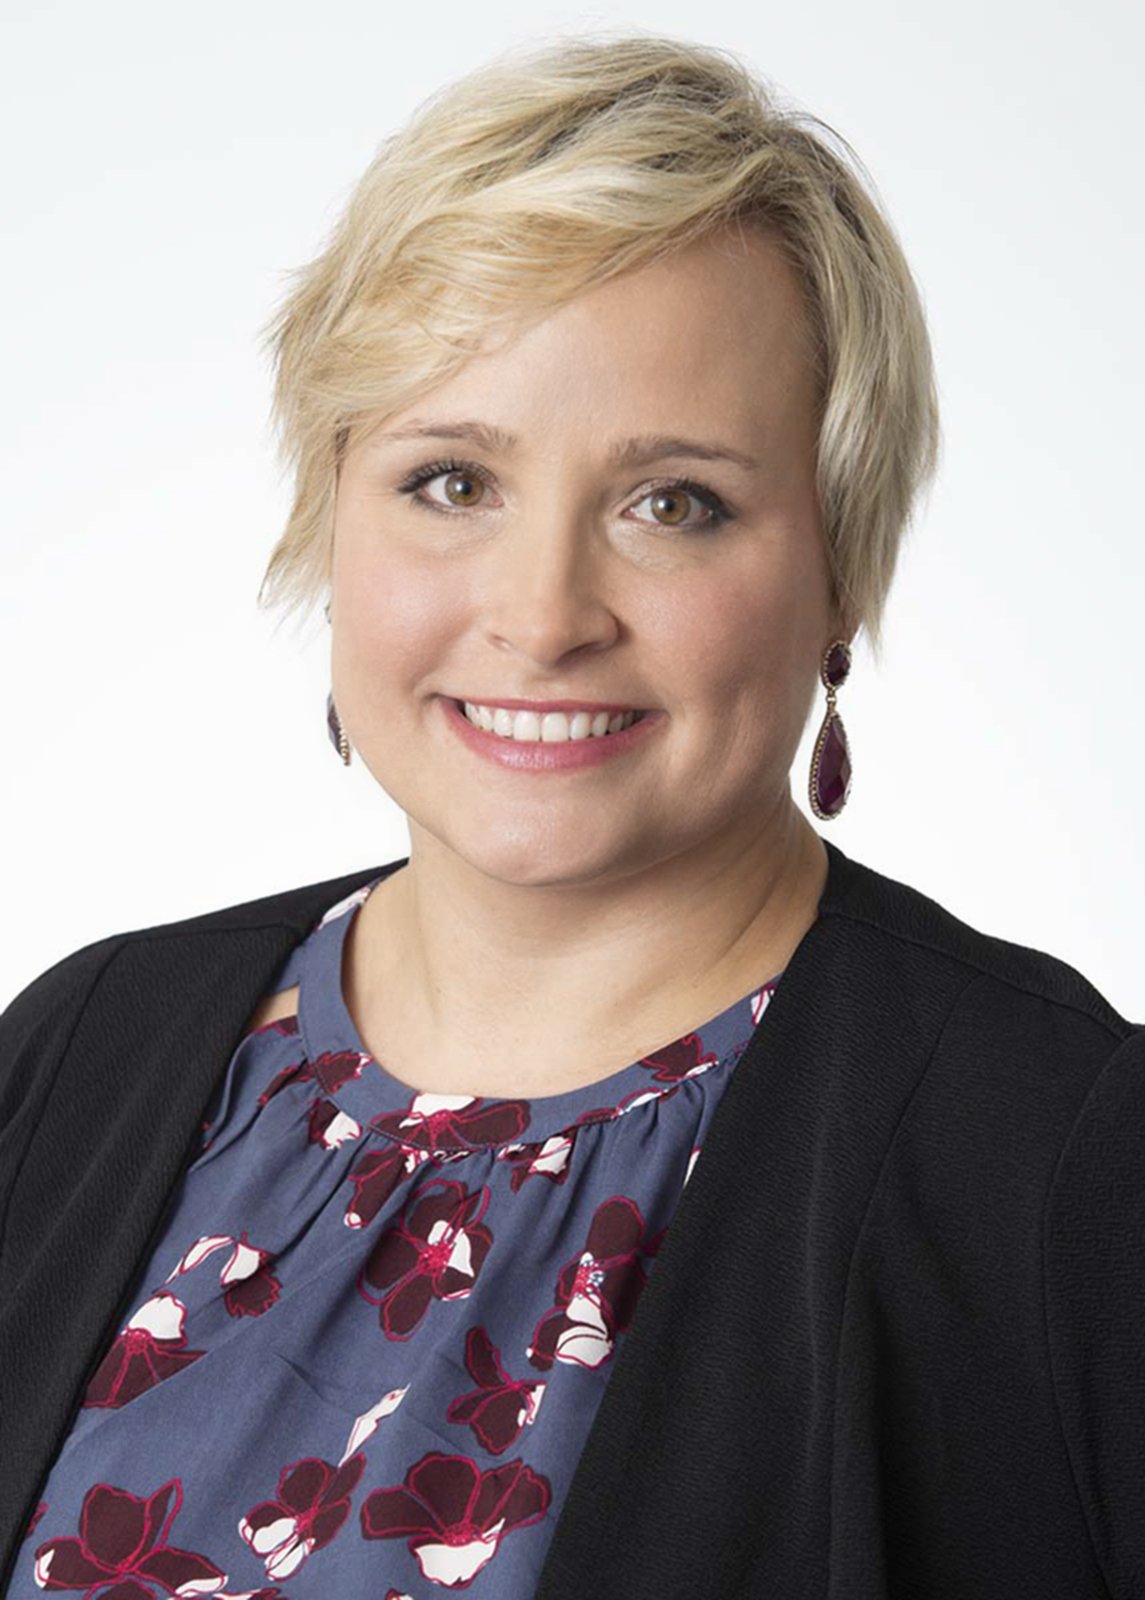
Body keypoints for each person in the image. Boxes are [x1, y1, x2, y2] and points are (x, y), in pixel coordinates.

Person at [1, 31, 1141, 1600]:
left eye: (672, 502)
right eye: (451, 481)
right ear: (329, 517)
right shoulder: (82, 1049)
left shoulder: (1063, 1160)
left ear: (840, 566)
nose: (541, 617)